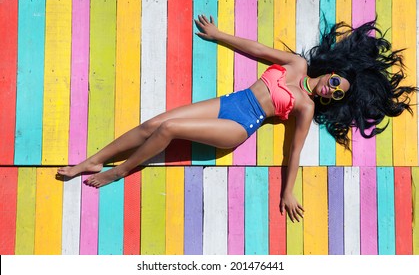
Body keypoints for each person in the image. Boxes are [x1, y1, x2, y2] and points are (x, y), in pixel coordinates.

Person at [58, 15, 416, 222]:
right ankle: (94, 160)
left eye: (336, 95)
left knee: (168, 129)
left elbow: (294, 151)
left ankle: (121, 170)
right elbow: (256, 49)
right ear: (332, 72)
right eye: (335, 83)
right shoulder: (298, 65)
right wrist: (218, 35)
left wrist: (287, 191)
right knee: (153, 123)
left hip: (239, 125)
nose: (331, 90)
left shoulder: (305, 107)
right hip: (229, 101)